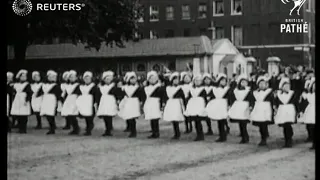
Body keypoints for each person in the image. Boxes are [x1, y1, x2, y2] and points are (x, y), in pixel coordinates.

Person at [274, 77, 300, 148]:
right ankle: (287, 139)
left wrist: (298, 111)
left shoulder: (292, 94)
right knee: (285, 126)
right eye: (285, 86)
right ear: (281, 87)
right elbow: (276, 103)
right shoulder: (279, 95)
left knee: (288, 125)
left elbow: (296, 103)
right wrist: (275, 108)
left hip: (290, 110)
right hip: (282, 110)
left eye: (288, 86)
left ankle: (289, 140)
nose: (287, 87)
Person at [250, 76, 274, 146]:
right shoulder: (255, 93)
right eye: (260, 84)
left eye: (263, 83)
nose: (262, 85)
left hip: (266, 109)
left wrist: (273, 109)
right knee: (260, 124)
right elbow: (252, 100)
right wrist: (251, 107)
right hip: (258, 109)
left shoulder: (269, 92)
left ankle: (264, 138)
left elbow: (272, 101)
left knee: (264, 124)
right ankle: (263, 136)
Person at [206, 73, 232, 142]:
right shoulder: (215, 89)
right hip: (218, 106)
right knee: (219, 121)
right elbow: (211, 96)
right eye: (221, 81)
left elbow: (230, 98)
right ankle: (221, 135)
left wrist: (229, 105)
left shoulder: (227, 89)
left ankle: (223, 136)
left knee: (223, 121)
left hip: (224, 105)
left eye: (224, 81)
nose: (223, 82)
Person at [228, 74, 253, 144]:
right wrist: (231, 105)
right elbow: (232, 98)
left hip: (245, 107)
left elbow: (251, 99)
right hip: (238, 107)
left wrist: (251, 106)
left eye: (245, 82)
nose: (244, 83)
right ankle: (243, 135)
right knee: (240, 122)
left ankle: (245, 137)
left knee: (244, 123)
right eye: (242, 82)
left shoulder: (249, 91)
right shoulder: (236, 90)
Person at [96, 71, 122, 136]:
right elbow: (98, 95)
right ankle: (107, 128)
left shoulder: (113, 86)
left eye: (109, 79)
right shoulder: (101, 87)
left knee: (109, 115)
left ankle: (109, 129)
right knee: (105, 115)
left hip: (110, 101)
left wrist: (118, 100)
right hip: (103, 101)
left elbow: (117, 94)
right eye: (106, 79)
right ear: (104, 80)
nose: (108, 80)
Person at [120, 71, 145, 138]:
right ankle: (130, 129)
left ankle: (133, 132)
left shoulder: (138, 87)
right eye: (131, 79)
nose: (133, 80)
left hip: (134, 102)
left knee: (133, 117)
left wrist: (141, 102)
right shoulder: (125, 88)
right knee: (129, 116)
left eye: (134, 79)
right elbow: (122, 95)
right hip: (128, 102)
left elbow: (141, 95)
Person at [163, 72, 185, 139]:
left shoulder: (180, 88)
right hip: (171, 103)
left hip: (177, 104)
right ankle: (176, 133)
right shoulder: (168, 88)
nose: (176, 81)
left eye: (177, 80)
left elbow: (182, 97)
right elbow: (166, 96)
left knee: (176, 118)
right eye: (174, 80)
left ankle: (178, 133)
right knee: (173, 118)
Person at [185, 74, 207, 141]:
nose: (197, 82)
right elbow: (189, 97)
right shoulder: (191, 89)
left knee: (198, 121)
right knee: (195, 121)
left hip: (199, 106)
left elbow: (204, 98)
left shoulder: (203, 89)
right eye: (196, 81)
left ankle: (201, 135)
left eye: (199, 81)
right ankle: (198, 134)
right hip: (193, 106)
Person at [76, 71, 99, 136]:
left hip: (91, 103)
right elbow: (79, 94)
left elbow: (96, 95)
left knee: (90, 116)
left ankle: (89, 129)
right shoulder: (81, 87)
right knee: (86, 116)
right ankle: (88, 127)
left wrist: (95, 102)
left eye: (88, 78)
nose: (87, 80)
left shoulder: (94, 87)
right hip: (84, 103)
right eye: (85, 79)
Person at [10, 69, 33, 134]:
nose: (24, 77)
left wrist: (26, 100)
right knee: (18, 114)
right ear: (19, 77)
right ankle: (20, 127)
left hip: (24, 99)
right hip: (18, 100)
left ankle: (24, 128)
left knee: (24, 115)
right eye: (22, 76)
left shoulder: (27, 84)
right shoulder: (16, 84)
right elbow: (13, 92)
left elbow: (29, 93)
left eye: (25, 76)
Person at [143, 71, 163, 139]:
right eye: (151, 79)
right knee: (151, 118)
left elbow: (162, 96)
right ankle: (153, 132)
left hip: (156, 103)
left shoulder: (159, 87)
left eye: (154, 78)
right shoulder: (147, 88)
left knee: (155, 118)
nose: (152, 80)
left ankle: (156, 132)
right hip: (149, 103)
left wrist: (162, 104)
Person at [61, 70, 81, 135]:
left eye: (73, 77)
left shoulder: (78, 85)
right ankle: (74, 127)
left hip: (75, 100)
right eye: (70, 77)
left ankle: (76, 129)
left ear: (76, 78)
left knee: (73, 114)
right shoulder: (68, 85)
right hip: (69, 100)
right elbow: (65, 93)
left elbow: (80, 93)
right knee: (69, 114)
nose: (72, 78)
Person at [299, 78, 315, 149]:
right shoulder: (309, 95)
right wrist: (302, 111)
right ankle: (313, 141)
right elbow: (304, 103)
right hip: (311, 112)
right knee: (311, 127)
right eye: (314, 86)